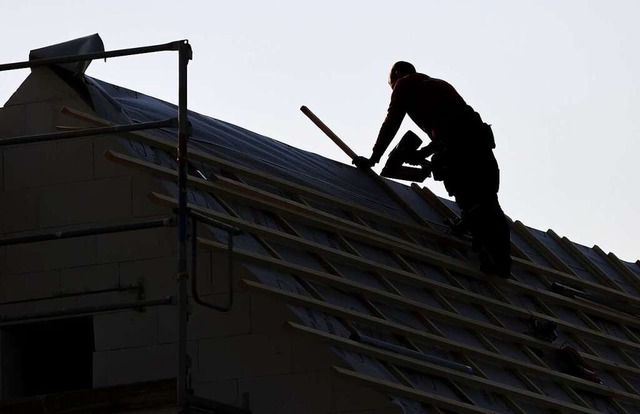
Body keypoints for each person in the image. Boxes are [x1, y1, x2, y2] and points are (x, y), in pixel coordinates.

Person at [354, 61, 512, 277]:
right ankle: (501, 260)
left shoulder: (404, 84)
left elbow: (392, 121)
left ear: (397, 75)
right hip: (479, 144)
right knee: (487, 200)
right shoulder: (439, 85)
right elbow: (452, 127)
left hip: (459, 150)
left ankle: (490, 260)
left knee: (473, 201)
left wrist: (374, 157)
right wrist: (424, 154)